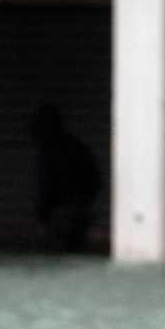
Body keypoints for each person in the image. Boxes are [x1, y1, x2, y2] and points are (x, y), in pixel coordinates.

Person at [30, 103, 100, 251]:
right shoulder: (76, 148)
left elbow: (45, 186)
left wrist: (42, 216)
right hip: (76, 211)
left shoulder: (51, 153)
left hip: (62, 213)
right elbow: (95, 180)